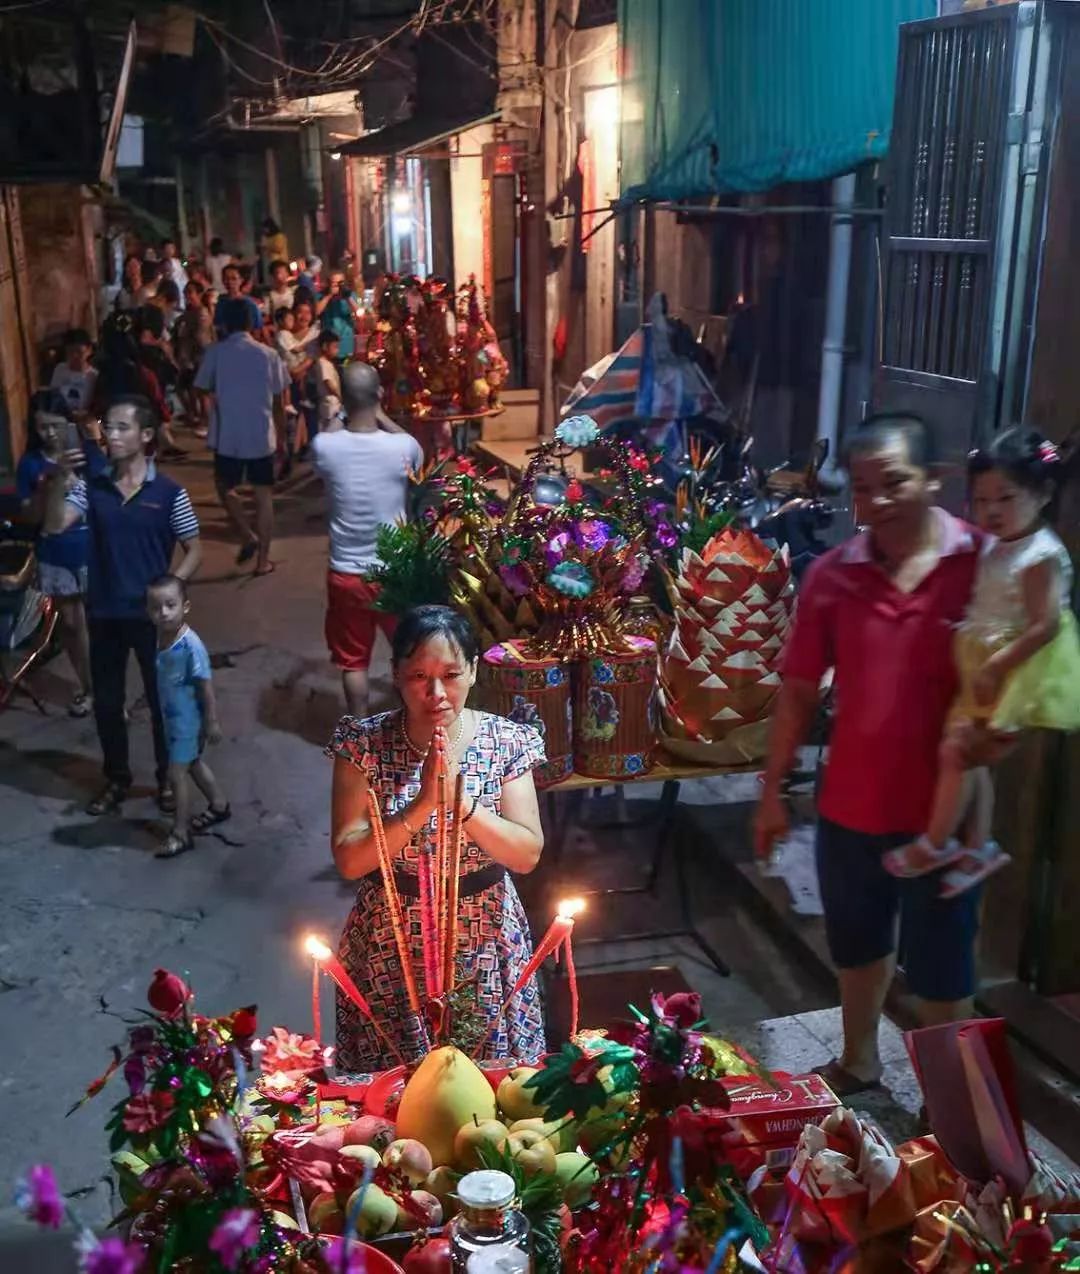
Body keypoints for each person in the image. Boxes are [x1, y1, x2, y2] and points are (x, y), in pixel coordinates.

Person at [754, 413, 990, 1098]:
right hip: (850, 804)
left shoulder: (981, 564)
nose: (876, 502)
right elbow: (797, 695)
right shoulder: (832, 576)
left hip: (945, 815)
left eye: (893, 483)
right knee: (857, 946)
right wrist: (771, 794)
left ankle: (950, 1101)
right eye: (862, 489)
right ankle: (859, 1061)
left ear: (933, 481)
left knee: (946, 967)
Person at [327, 604, 546, 1071]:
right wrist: (423, 803)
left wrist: (462, 805)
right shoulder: (363, 746)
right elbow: (350, 860)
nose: (436, 693)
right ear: (396, 675)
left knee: (489, 1089)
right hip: (391, 935)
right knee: (397, 1093)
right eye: (418, 676)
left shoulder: (506, 742)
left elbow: (526, 853)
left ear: (473, 670)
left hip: (484, 934)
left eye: (450, 674)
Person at [883, 426, 1080, 896]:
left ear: (1044, 494)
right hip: (985, 662)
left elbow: (1046, 624)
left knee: (958, 753)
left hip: (1018, 671)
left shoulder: (1040, 555)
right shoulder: (1001, 542)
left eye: (1006, 498)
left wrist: (996, 666)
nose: (991, 510)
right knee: (966, 755)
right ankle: (980, 845)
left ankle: (935, 843)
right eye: (981, 499)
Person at [43, 395, 202, 816]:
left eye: (120, 427)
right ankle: (117, 778)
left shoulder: (170, 493)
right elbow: (56, 525)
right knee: (109, 705)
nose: (109, 435)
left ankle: (170, 780)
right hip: (106, 614)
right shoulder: (91, 490)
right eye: (107, 427)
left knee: (162, 704)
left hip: (154, 622)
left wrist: (174, 589)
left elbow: (194, 547)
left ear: (146, 436)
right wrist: (61, 477)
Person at [310, 362, 423, 715]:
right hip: (393, 572)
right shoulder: (402, 446)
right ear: (378, 395)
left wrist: (341, 411)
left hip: (346, 573)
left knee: (354, 662)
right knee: (408, 653)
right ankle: (413, 723)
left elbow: (328, 433)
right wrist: (382, 413)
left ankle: (360, 732)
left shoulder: (325, 447)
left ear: (344, 398)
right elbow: (415, 456)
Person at [16, 389, 107, 716]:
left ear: (68, 422)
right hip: (56, 553)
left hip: (93, 549)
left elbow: (108, 491)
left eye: (56, 425)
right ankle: (87, 686)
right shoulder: (30, 464)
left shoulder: (85, 451)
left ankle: (106, 687)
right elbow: (30, 517)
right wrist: (49, 483)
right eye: (42, 427)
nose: (50, 434)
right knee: (70, 623)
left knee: (100, 623)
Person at [195, 296, 288, 576]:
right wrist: (282, 439)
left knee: (225, 487)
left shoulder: (216, 353)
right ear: (251, 323)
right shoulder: (268, 354)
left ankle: (248, 534)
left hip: (229, 436)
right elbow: (279, 401)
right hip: (261, 434)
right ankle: (262, 561)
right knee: (263, 496)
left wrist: (217, 400)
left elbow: (200, 386)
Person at [147, 574, 230, 859]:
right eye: (156, 607)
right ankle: (219, 804)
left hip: (188, 724)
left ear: (186, 607)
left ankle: (180, 833)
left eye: (170, 605)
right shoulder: (161, 638)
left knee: (176, 774)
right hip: (174, 721)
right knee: (193, 764)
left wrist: (212, 721)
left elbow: (205, 685)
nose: (164, 613)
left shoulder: (190, 646)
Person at [175, 280, 214, 432]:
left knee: (202, 391)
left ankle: (206, 421)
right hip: (191, 357)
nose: (187, 296)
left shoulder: (202, 312)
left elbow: (202, 337)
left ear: (199, 294)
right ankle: (196, 416)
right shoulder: (189, 312)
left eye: (190, 293)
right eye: (186, 293)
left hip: (201, 356)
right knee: (189, 388)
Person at [49, 328, 98, 417]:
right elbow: (53, 396)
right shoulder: (60, 369)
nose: (75, 356)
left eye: (79, 352)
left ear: (89, 350)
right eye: (70, 352)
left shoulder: (93, 376)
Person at [317, 270, 359, 359]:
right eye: (334, 283)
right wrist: (329, 295)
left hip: (346, 341)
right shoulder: (321, 296)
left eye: (341, 283)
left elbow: (358, 312)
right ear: (329, 283)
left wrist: (347, 297)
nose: (338, 286)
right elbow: (316, 311)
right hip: (329, 343)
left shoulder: (350, 295)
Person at [213, 263, 263, 336]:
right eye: (226, 278)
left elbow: (256, 329)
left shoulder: (249, 304)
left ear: (241, 280)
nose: (230, 282)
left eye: (234, 278)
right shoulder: (220, 302)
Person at [314, 329, 343, 431]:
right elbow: (328, 382)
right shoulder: (323, 363)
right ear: (325, 346)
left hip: (332, 404)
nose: (337, 350)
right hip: (330, 404)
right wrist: (340, 396)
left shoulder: (327, 363)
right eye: (335, 347)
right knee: (331, 430)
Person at [160, 239, 189, 304]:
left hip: (183, 291)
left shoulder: (178, 260)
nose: (170, 250)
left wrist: (186, 259)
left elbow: (185, 265)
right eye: (167, 248)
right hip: (172, 295)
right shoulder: (161, 264)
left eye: (172, 248)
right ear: (163, 250)